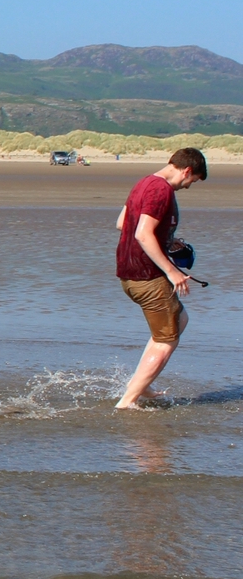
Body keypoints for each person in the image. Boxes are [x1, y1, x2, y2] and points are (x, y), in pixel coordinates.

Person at [114, 147, 206, 409]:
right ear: (187, 170)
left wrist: (168, 239)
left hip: (130, 275)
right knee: (168, 337)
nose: (188, 187)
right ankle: (128, 400)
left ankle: (142, 386)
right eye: (192, 181)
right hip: (148, 276)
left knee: (178, 320)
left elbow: (122, 222)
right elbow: (142, 234)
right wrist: (172, 270)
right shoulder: (162, 189)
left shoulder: (144, 182)